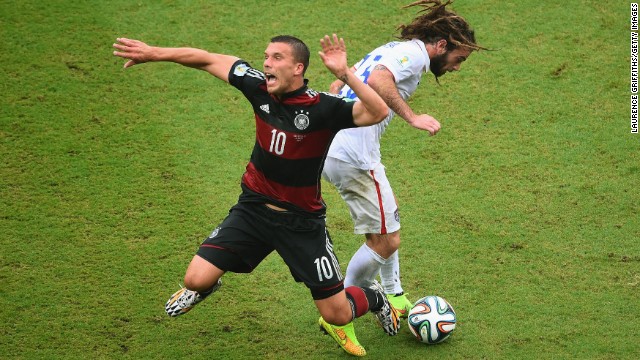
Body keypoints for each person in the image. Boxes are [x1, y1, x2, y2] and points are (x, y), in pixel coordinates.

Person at [112, 33, 399, 356]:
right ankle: (206, 287)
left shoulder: (322, 109)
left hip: (301, 225)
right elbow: (208, 58)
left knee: (337, 314)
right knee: (195, 279)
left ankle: (374, 297)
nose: (266, 62)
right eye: (266, 56)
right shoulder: (258, 87)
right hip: (252, 212)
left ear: (297, 68)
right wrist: (154, 52)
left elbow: (377, 111)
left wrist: (345, 74)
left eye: (277, 58)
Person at [320, 1, 486, 355]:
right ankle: (339, 314)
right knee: (388, 241)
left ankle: (393, 293)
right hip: (353, 154)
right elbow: (380, 79)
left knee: (384, 224)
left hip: (336, 147)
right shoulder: (413, 55)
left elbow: (341, 80)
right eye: (459, 58)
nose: (456, 67)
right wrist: (412, 117)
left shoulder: (394, 48)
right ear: (441, 45)